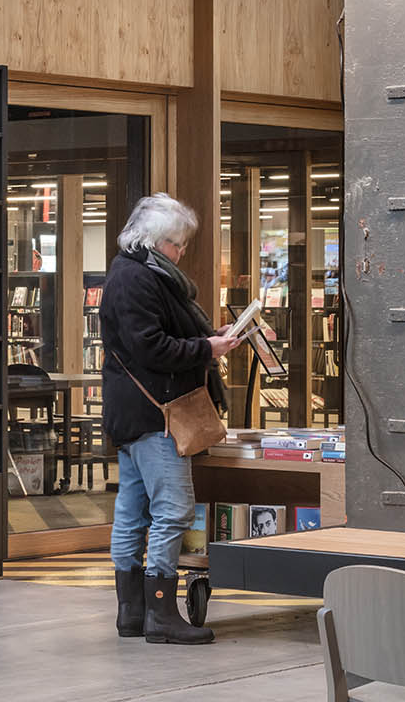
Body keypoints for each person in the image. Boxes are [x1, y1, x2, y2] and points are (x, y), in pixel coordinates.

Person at [100, 192, 239, 646]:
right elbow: (152, 347)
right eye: (178, 244)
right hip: (156, 415)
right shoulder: (138, 278)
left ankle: (132, 613)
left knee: (132, 511)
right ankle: (160, 613)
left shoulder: (137, 273)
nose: (181, 253)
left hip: (137, 414)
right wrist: (206, 348)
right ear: (157, 242)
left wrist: (210, 338)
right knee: (173, 510)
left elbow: (160, 336)